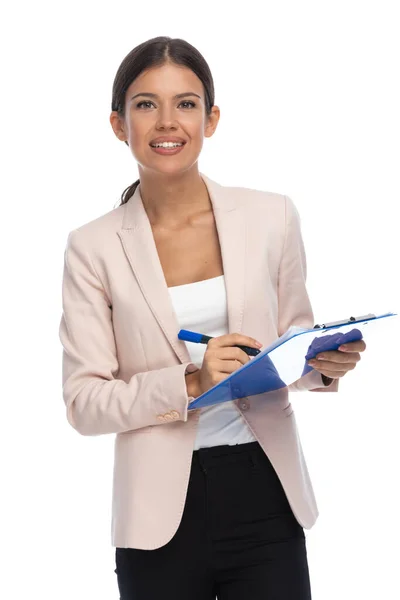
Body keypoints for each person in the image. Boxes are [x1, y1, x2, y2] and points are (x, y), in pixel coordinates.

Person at [59, 36, 366, 600]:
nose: (167, 121)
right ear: (118, 124)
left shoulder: (271, 216)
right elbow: (83, 402)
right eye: (146, 104)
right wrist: (192, 382)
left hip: (267, 492)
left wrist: (324, 363)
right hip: (158, 516)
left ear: (212, 118)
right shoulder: (93, 246)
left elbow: (293, 342)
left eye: (187, 103)